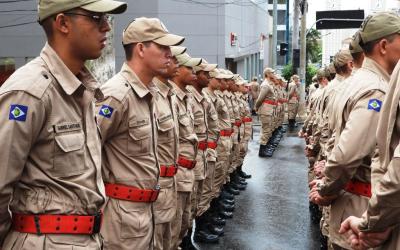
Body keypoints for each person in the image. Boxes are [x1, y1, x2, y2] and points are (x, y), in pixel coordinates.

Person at [0, 0, 127, 249]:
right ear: (63, 23)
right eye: (95, 18)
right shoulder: (30, 91)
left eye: (106, 19)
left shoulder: (81, 91)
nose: (106, 28)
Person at [310, 11, 400, 249]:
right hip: (361, 204)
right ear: (383, 45)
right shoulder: (377, 90)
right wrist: (327, 189)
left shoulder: (354, 83)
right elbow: (348, 154)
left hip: (352, 200)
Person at [96, 17, 184, 250]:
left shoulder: (150, 93)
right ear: (141, 49)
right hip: (122, 222)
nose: (169, 53)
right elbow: (86, 156)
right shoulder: (116, 95)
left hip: (147, 213)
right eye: (162, 46)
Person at [152, 45, 186, 250]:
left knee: (174, 232)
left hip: (170, 182)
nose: (174, 62)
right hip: (134, 202)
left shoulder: (169, 95)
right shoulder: (119, 93)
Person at [169, 53, 202, 249]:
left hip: (187, 169)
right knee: (170, 230)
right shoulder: (161, 97)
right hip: (170, 176)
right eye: (189, 68)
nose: (194, 73)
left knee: (185, 218)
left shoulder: (183, 97)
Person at [255, 67, 277, 157]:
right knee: (265, 130)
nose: (273, 74)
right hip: (265, 109)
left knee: (267, 130)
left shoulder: (268, 84)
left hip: (268, 109)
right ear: (267, 74)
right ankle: (262, 151)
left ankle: (266, 147)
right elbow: (260, 99)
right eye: (272, 73)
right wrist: (256, 107)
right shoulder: (265, 85)